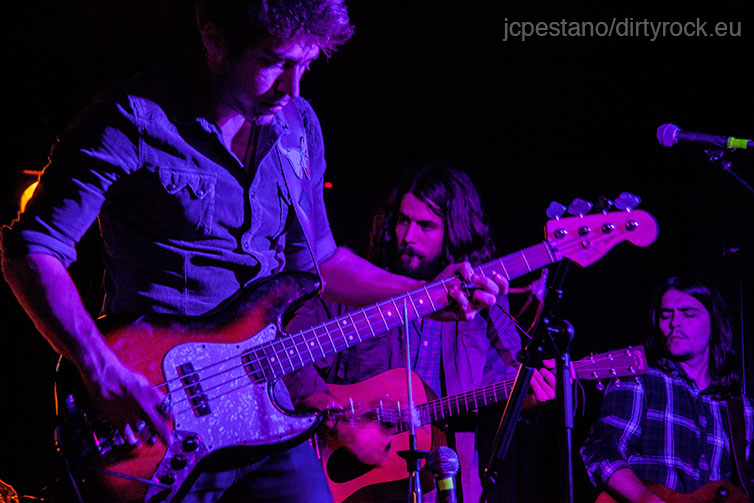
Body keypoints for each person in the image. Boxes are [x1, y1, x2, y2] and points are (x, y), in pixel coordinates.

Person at [0, 2, 508, 502]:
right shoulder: (133, 117)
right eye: (274, 61)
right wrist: (101, 371)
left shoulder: (298, 127)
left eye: (305, 65)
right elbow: (31, 249)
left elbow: (320, 262)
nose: (293, 88)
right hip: (161, 411)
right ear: (213, 35)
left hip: (267, 408)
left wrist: (425, 293)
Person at [284, 165, 556, 503]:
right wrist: (341, 422)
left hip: (447, 487)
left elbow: (501, 387)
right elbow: (286, 357)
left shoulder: (486, 307)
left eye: (426, 225)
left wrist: (529, 397)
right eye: (402, 221)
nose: (408, 237)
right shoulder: (356, 293)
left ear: (455, 232)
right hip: (356, 487)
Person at [580, 275, 754, 503]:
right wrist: (645, 498)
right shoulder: (639, 378)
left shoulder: (742, 409)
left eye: (688, 313)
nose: (674, 323)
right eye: (666, 315)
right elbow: (602, 449)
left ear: (714, 324)